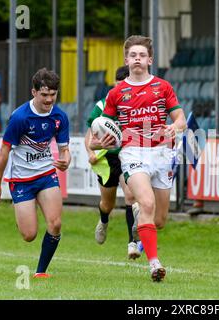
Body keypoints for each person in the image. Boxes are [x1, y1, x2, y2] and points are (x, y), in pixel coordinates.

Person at [101, 35, 186, 281]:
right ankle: (154, 264)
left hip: (161, 153)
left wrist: (175, 127)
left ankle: (141, 217)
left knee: (159, 220)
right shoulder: (116, 93)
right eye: (133, 55)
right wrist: (100, 140)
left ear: (150, 59)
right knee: (147, 203)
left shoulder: (163, 86)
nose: (137, 59)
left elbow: (179, 117)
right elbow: (105, 125)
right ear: (126, 60)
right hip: (132, 152)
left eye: (142, 55)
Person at [0, 68, 70, 278]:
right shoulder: (20, 118)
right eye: (44, 95)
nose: (49, 99)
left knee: (56, 223)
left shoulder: (60, 116)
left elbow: (64, 149)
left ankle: (41, 272)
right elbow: (4, 152)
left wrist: (66, 159)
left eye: (53, 95)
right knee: (29, 235)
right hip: (21, 180)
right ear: (33, 92)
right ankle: (22, 212)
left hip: (45, 175)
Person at [85, 65, 142, 260]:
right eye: (117, 87)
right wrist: (90, 150)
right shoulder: (103, 105)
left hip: (128, 155)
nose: (120, 92)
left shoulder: (137, 106)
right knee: (107, 203)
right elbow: (90, 133)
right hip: (107, 159)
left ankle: (132, 243)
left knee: (131, 197)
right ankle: (104, 220)